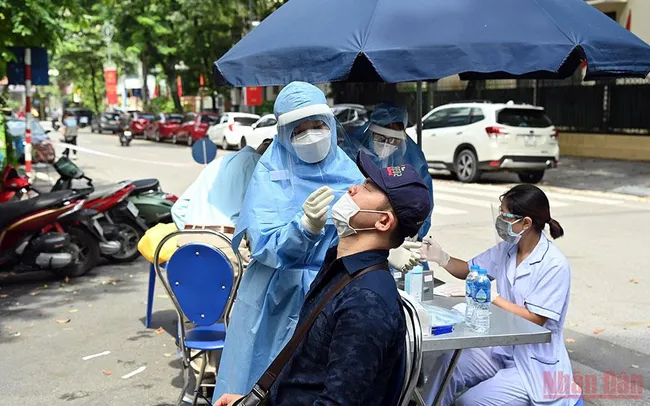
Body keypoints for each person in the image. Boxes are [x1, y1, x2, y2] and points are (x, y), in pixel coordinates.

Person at [215, 151, 432, 406]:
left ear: (383, 221)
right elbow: (305, 378)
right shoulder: (340, 269)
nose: (352, 189)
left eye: (367, 187)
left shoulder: (366, 302)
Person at [421, 184, 581, 406]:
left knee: (470, 402)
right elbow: (470, 269)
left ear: (526, 223)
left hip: (534, 364)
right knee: (449, 364)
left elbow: (537, 319)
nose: (500, 221)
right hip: (502, 349)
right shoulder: (508, 249)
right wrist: (442, 258)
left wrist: (493, 298)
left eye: (505, 216)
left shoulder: (554, 264)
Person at [342, 103, 433, 240]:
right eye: (380, 137)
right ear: (370, 132)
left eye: (394, 140)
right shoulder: (351, 151)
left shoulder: (413, 158)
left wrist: (414, 231)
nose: (386, 144)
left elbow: (423, 200)